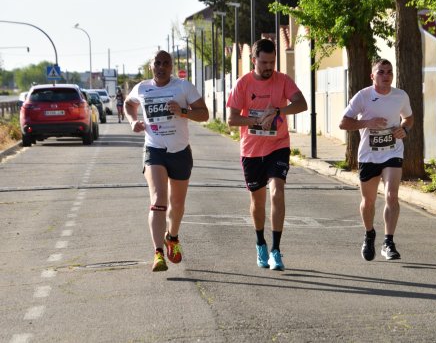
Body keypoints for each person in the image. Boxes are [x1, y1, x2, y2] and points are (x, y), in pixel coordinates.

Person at [124, 50, 209, 272]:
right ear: (151, 66)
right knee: (159, 199)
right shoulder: (142, 88)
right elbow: (128, 104)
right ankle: (158, 253)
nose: (161, 67)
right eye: (157, 63)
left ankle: (172, 237)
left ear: (171, 67)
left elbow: (204, 114)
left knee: (177, 204)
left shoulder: (183, 87)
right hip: (154, 150)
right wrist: (133, 121)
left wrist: (183, 111)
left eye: (166, 63)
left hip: (180, 151)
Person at [227, 38, 307, 271]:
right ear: (254, 60)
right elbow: (231, 119)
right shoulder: (242, 84)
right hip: (251, 150)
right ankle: (260, 242)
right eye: (264, 62)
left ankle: (276, 250)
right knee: (257, 200)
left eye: (272, 62)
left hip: (278, 145)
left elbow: (301, 103)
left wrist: (279, 111)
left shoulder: (282, 80)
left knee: (277, 191)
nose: (268, 67)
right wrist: (256, 120)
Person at [339, 58, 413, 261]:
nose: (386, 76)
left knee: (391, 195)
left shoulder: (400, 95)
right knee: (368, 201)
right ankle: (369, 234)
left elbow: (409, 117)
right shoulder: (363, 96)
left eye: (389, 72)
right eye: (381, 72)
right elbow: (343, 123)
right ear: (372, 76)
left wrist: (404, 129)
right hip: (369, 155)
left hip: (392, 152)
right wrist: (367, 122)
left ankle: (389, 241)